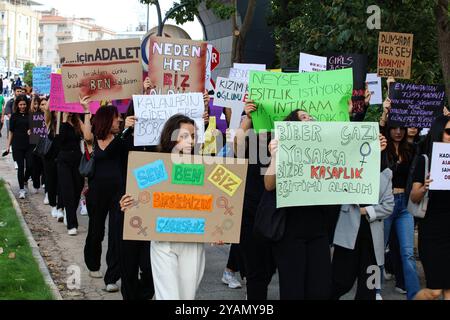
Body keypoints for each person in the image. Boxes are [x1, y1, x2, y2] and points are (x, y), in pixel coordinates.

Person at [120, 114, 205, 300]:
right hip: (163, 242)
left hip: (192, 242)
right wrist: (127, 203)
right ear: (171, 137)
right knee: (169, 296)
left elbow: (215, 203)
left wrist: (219, 230)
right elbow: (139, 198)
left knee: (187, 297)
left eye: (193, 135)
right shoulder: (156, 166)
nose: (190, 141)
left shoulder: (205, 168)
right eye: (183, 136)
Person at [264, 109, 336, 300]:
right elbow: (269, 185)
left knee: (320, 289)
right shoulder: (281, 148)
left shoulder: (325, 149)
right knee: (293, 290)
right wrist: (275, 157)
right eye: (303, 117)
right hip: (290, 232)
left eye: (311, 116)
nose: (309, 118)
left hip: (319, 230)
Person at [331, 136, 395, 300]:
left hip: (373, 241)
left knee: (369, 288)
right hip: (348, 237)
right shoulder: (345, 170)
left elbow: (388, 206)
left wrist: (365, 211)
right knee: (339, 282)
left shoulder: (386, 174)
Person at [379, 99, 421, 300]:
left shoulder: (411, 150)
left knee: (408, 253)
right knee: (379, 250)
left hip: (405, 205)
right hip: (385, 203)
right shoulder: (382, 148)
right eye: (394, 128)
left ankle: (413, 295)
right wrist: (385, 113)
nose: (398, 131)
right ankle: (375, 292)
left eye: (401, 128)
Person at [83, 105, 122, 292]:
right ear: (108, 119)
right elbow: (87, 134)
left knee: (116, 233)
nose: (120, 120)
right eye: (116, 118)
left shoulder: (122, 140)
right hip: (97, 193)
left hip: (118, 194)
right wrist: (85, 108)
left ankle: (112, 277)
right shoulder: (93, 140)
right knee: (96, 229)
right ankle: (93, 263)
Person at [412, 115, 450, 300]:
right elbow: (414, 196)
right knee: (434, 291)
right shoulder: (425, 160)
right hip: (433, 233)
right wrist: (424, 186)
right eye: (449, 131)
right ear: (439, 132)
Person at [57, 97, 92, 235]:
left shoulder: (78, 121)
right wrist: (64, 120)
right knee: (68, 190)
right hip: (63, 160)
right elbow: (60, 142)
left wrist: (85, 112)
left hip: (77, 160)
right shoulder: (61, 122)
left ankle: (68, 210)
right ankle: (72, 224)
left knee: (77, 189)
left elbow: (87, 136)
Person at [4, 95, 32, 199]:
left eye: (24, 104)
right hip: (17, 145)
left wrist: (32, 131)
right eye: (20, 104)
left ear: (27, 104)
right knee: (20, 167)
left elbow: (36, 129)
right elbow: (11, 132)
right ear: (17, 105)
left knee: (30, 165)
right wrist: (8, 146)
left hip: (29, 144)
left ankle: (25, 179)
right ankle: (21, 189)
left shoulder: (31, 115)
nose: (22, 106)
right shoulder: (14, 117)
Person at [42, 99, 64, 220]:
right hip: (49, 157)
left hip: (61, 157)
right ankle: (53, 205)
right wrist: (54, 90)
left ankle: (61, 207)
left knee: (61, 182)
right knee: (51, 182)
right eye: (55, 111)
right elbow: (47, 109)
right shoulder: (49, 122)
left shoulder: (65, 123)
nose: (57, 113)